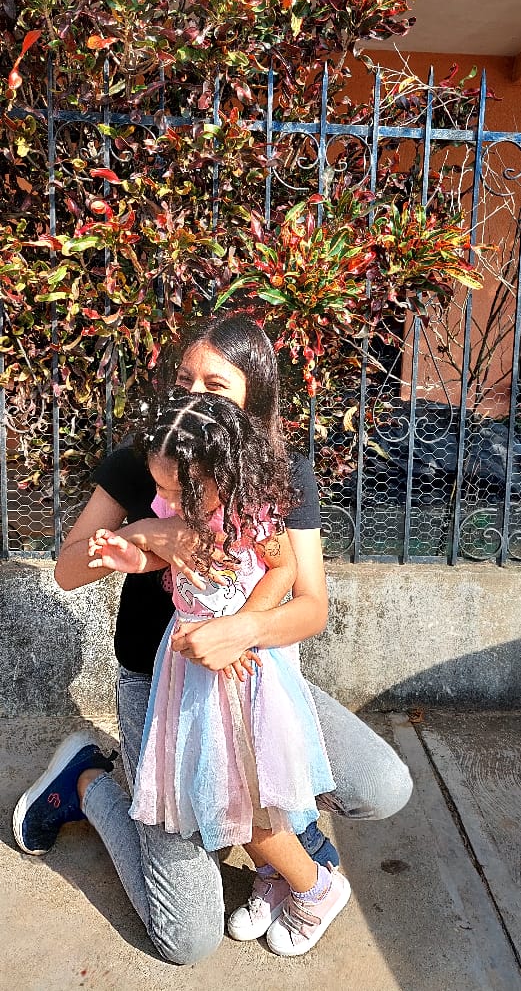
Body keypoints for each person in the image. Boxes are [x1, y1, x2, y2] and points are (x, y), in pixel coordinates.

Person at [12, 312, 413, 966]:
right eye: (184, 379)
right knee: (187, 939)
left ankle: (283, 846)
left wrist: (242, 630)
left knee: (379, 786)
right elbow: (69, 569)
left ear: (254, 396)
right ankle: (88, 781)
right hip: (159, 684)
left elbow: (308, 603)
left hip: (250, 673)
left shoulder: (276, 477)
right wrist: (148, 535)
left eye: (216, 385)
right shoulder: (152, 458)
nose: (194, 395)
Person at [87, 390, 350, 956]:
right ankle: (276, 877)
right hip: (191, 671)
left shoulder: (251, 515)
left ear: (225, 476)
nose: (165, 500)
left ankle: (316, 888)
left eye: (177, 491)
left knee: (244, 797)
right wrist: (131, 553)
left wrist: (242, 627)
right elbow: (163, 556)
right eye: (159, 488)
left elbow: (283, 569)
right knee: (215, 786)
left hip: (242, 672)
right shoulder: (176, 506)